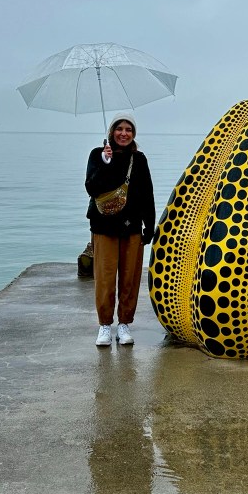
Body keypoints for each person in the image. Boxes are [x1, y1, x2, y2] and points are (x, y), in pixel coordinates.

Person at [85, 112, 155, 347]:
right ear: (112, 131)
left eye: (128, 130)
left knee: (129, 279)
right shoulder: (98, 155)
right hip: (103, 227)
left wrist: (149, 226)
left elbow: (147, 194)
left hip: (132, 226)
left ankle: (124, 324)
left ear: (133, 134)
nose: (123, 133)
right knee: (105, 279)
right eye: (119, 129)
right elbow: (91, 188)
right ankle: (105, 325)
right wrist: (106, 164)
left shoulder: (139, 159)